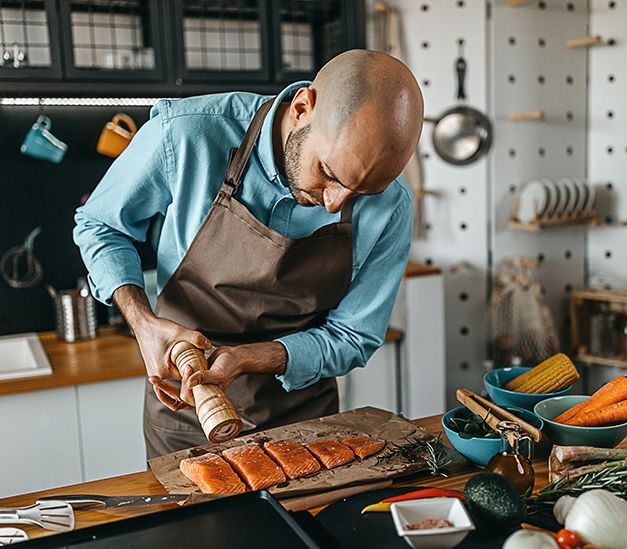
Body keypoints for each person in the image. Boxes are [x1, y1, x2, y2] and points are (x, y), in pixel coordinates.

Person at [74, 49, 424, 458]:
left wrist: (246, 359)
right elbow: (101, 225)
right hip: (185, 410)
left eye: (363, 193)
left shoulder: (393, 206)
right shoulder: (187, 135)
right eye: (329, 173)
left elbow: (354, 335)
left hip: (306, 420)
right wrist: (143, 323)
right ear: (302, 108)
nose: (334, 204)